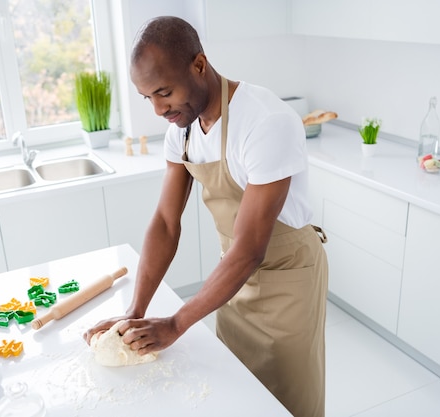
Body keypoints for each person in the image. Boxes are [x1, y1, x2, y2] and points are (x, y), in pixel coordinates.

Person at [84, 15, 328, 417]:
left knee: (288, 400)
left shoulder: (266, 123)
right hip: (231, 280)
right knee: (237, 394)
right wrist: (135, 311)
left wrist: (177, 323)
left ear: (199, 65)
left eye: (164, 92)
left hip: (286, 280)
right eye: (148, 97)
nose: (159, 109)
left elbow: (250, 249)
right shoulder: (181, 128)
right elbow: (166, 223)